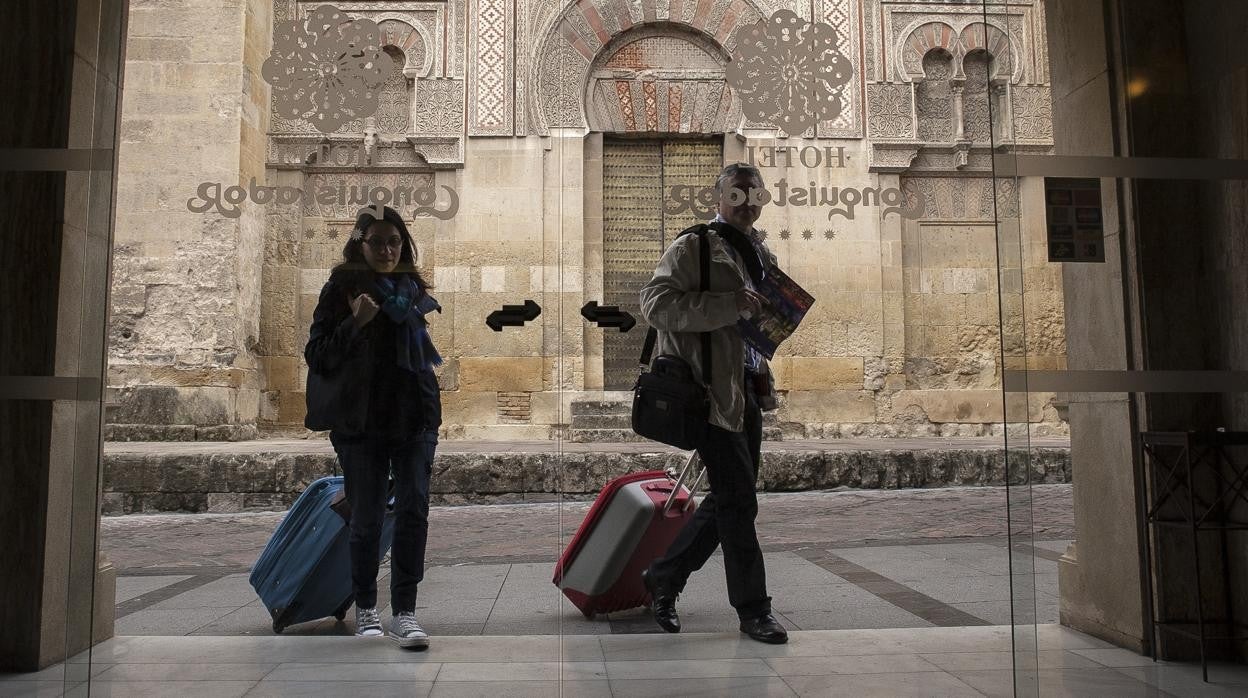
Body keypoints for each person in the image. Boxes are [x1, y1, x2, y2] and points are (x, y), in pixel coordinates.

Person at [639, 162, 788, 644]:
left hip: (745, 389)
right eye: (736, 195)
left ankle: (665, 576)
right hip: (709, 396)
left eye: (754, 195)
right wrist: (731, 307)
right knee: (740, 502)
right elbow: (656, 305)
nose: (746, 204)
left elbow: (753, 321)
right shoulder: (694, 246)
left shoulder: (759, 251)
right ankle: (753, 610)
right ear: (718, 198)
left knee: (731, 497)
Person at [304, 205, 443, 649]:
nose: (386, 249)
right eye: (377, 241)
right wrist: (355, 323)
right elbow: (318, 354)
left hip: (414, 416)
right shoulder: (341, 288)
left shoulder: (411, 289)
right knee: (365, 518)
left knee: (414, 509)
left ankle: (405, 611)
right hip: (361, 422)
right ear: (359, 244)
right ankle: (366, 606)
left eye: (394, 241)